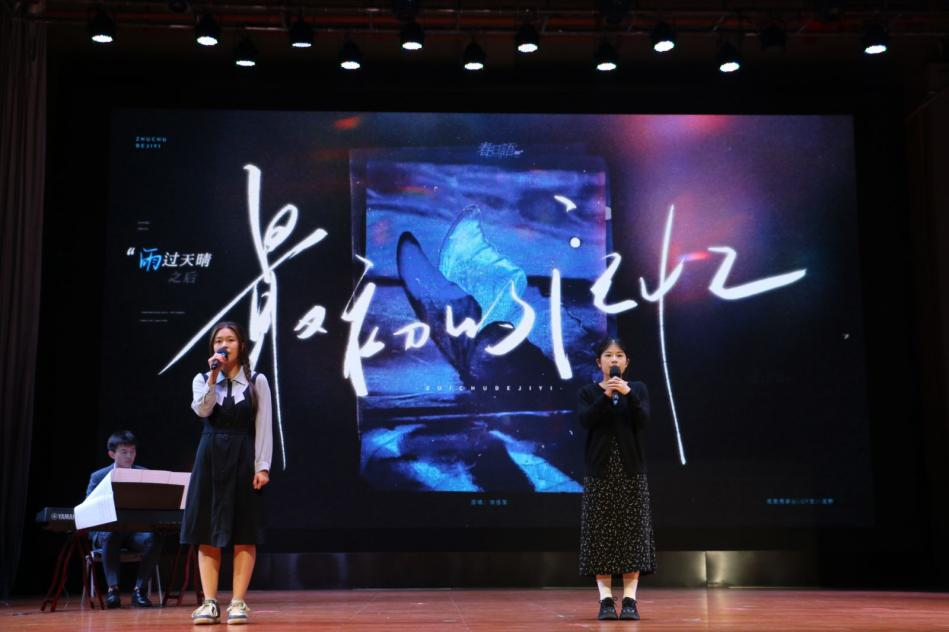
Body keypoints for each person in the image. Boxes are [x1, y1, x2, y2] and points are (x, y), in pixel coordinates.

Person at [180, 321, 272, 625]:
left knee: (244, 532)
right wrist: (213, 376)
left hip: (243, 456)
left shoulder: (257, 380)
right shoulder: (202, 379)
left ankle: (237, 602)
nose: (224, 345)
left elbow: (264, 426)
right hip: (209, 458)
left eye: (230, 339)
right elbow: (202, 411)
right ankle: (209, 602)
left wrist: (262, 466)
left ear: (241, 345)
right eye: (218, 340)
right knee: (206, 531)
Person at [577, 337, 656, 621]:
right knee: (601, 538)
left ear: (627, 362)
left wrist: (627, 394)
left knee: (632, 536)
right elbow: (585, 420)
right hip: (600, 472)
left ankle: (631, 601)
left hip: (631, 471)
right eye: (608, 355)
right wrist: (606, 395)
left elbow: (643, 421)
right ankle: (606, 600)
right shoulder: (588, 392)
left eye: (619, 355)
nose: (614, 360)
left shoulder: (638, 389)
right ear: (599, 362)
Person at [86, 430, 161, 608]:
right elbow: (88, 508)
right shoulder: (98, 477)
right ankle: (112, 590)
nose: (129, 456)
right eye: (124, 452)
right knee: (110, 533)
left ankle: (139, 590)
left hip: (135, 532)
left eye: (132, 451)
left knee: (154, 537)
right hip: (108, 531)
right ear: (112, 454)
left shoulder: (144, 474)